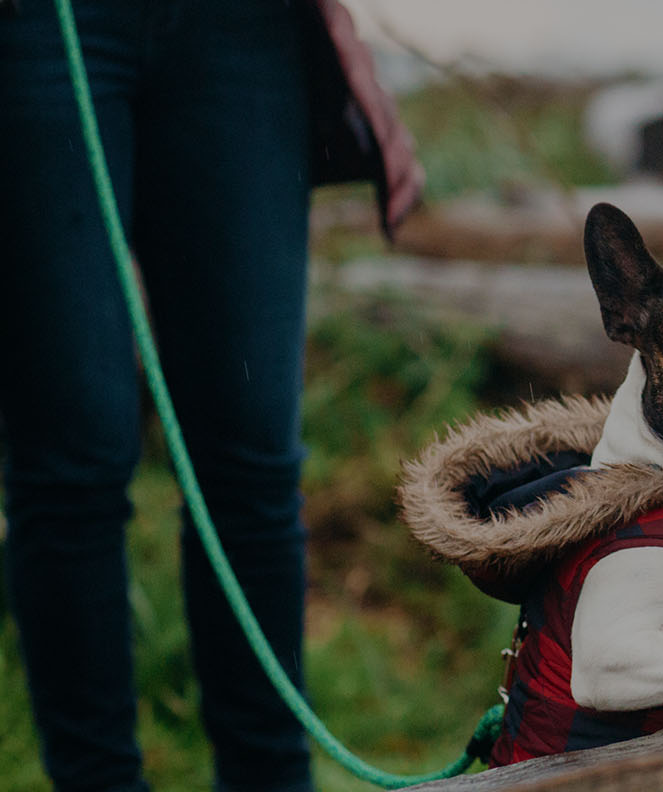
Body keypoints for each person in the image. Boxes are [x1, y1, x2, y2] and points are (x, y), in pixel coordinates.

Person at [0, 1, 422, 789]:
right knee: (72, 458)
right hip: (37, 27)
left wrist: (342, 30)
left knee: (253, 456)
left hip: (246, 29)